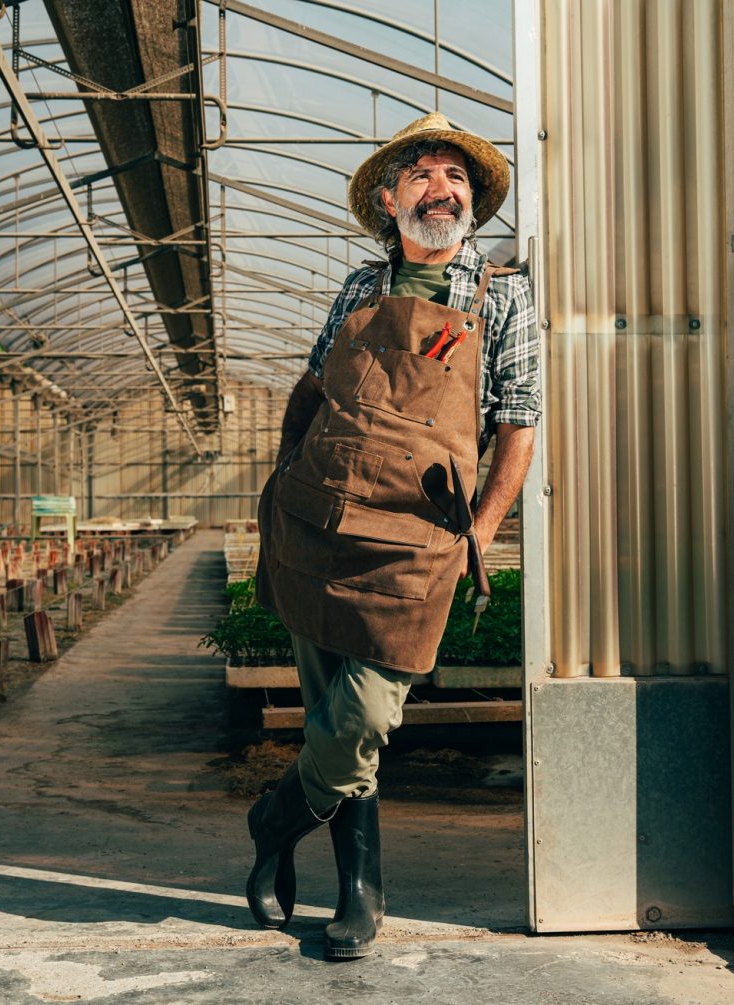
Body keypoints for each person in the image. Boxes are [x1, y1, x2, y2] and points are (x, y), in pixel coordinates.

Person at [246, 112, 540, 959]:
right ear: (389, 200)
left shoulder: (501, 295)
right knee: (327, 713)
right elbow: (312, 389)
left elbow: (519, 422)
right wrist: (285, 475)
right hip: (321, 522)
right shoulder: (360, 287)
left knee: (365, 713)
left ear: (472, 201)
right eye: (421, 175)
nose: (440, 189)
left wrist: (481, 530)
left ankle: (276, 820)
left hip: (418, 539)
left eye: (455, 177)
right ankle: (359, 896)